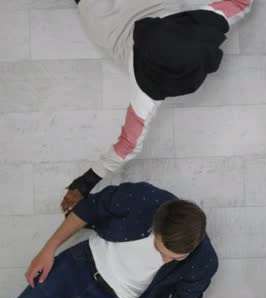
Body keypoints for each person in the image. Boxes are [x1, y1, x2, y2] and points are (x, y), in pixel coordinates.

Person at [60, 0, 254, 213]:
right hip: (100, 15)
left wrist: (86, 182)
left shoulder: (202, 24)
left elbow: (238, 3)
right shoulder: (147, 89)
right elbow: (127, 146)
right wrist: (86, 181)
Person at [1, 182, 218, 298]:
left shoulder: (203, 263)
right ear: (155, 226)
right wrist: (47, 250)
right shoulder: (144, 199)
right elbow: (90, 207)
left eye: (176, 258)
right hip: (78, 266)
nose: (165, 259)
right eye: (160, 249)